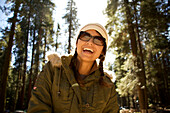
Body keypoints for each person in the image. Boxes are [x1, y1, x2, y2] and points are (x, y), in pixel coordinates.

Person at [27, 23, 119, 113]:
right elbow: (38, 107)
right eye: (85, 36)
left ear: (103, 51)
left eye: (98, 40)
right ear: (76, 42)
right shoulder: (53, 70)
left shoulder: (108, 87)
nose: (90, 42)